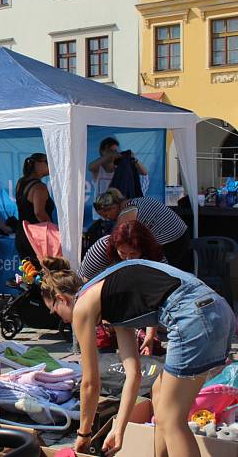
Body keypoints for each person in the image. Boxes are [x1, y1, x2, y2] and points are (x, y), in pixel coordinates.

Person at [40, 258, 235, 456]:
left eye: (54, 310)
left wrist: (84, 433)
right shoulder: (110, 296)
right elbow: (133, 374)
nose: (62, 319)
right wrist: (119, 429)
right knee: (158, 391)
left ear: (61, 298)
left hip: (194, 318)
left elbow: (91, 383)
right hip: (220, 312)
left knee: (171, 419)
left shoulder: (82, 306)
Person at [79, 220, 167, 355]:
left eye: (133, 254)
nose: (127, 259)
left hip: (137, 300)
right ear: (115, 248)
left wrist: (150, 335)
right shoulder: (102, 248)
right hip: (100, 294)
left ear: (143, 250)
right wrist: (102, 315)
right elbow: (86, 284)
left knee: (148, 343)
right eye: (122, 253)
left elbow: (155, 298)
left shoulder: (155, 258)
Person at [94, 188, 192, 271]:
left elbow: (117, 241)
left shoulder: (127, 212)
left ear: (113, 207)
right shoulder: (137, 201)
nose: (107, 219)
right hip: (182, 234)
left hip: (171, 242)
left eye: (106, 215)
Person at [14, 153, 55, 264]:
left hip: (22, 234)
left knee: (29, 274)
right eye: (47, 162)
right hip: (37, 239)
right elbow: (39, 213)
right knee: (41, 275)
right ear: (37, 165)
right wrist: (53, 231)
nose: (50, 164)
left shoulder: (21, 182)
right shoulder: (39, 187)